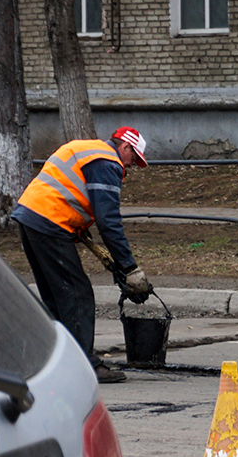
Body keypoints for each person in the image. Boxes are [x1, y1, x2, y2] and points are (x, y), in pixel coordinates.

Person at [12, 126, 153, 383]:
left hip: (30, 217)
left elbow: (69, 193)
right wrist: (130, 267)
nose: (132, 166)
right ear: (125, 147)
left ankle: (50, 361)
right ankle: (83, 365)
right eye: (134, 158)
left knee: (56, 297)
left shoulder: (87, 149)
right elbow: (108, 221)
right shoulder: (108, 162)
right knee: (78, 295)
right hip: (49, 221)